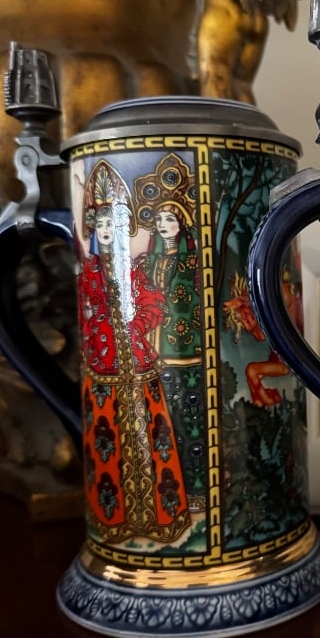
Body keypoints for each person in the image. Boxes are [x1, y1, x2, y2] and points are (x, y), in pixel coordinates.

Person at [78, 160, 190, 544]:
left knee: (152, 436)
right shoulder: (90, 272)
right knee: (108, 440)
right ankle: (116, 521)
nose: (106, 231)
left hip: (139, 365)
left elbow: (154, 305)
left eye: (112, 224)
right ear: (94, 230)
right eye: (100, 225)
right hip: (105, 368)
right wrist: (101, 330)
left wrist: (136, 325)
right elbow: (85, 313)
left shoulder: (134, 271)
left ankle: (159, 518)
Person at [134, 154, 205, 508]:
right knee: (158, 422)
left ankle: (196, 491)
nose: (163, 225)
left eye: (170, 218)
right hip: (154, 355)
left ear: (182, 223)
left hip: (188, 354)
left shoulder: (194, 261)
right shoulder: (147, 262)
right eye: (159, 219)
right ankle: (163, 494)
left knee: (190, 423)